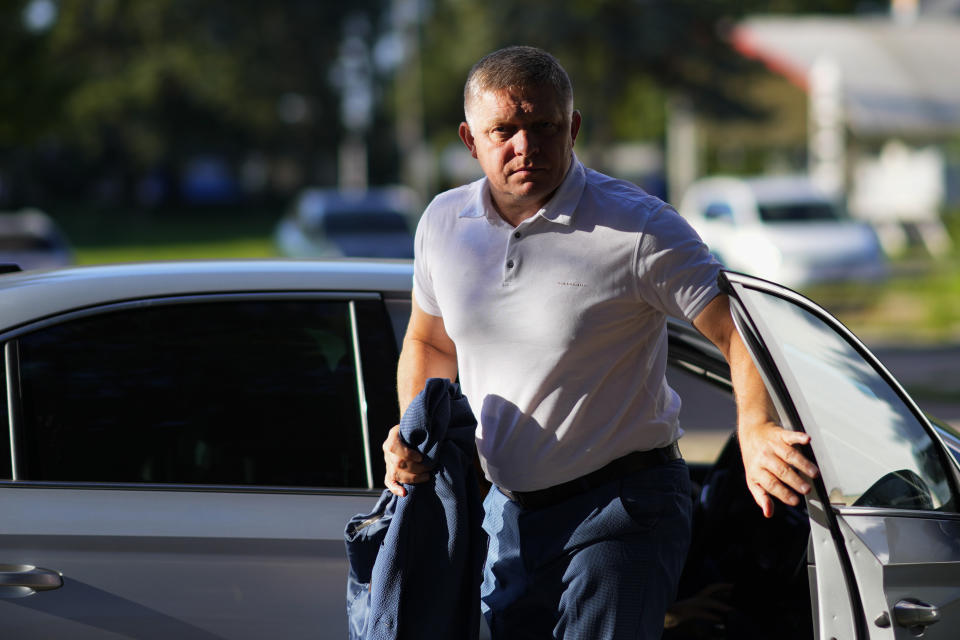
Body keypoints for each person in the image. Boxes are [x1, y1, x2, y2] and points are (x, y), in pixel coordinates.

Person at [382, 45, 818, 639]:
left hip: (621, 508)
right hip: (504, 511)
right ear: (469, 139)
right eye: (504, 130)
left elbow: (738, 328)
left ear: (574, 127)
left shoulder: (638, 227)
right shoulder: (442, 223)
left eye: (544, 127)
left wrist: (755, 425)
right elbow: (430, 343)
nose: (525, 147)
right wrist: (414, 430)